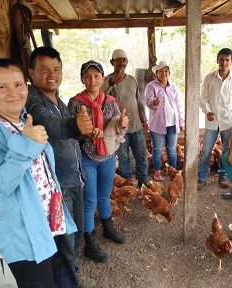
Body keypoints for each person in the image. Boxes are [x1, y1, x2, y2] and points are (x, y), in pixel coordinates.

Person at [0, 58, 77, 287]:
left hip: (46, 220)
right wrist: (25, 145)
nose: (13, 92)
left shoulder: (22, 119)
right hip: (23, 233)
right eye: (2, 86)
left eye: (18, 85)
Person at [26, 47, 96, 287]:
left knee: (75, 237)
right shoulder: (33, 100)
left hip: (75, 180)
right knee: (62, 243)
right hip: (58, 187)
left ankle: (72, 274)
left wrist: (86, 133)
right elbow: (50, 125)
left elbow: (70, 135)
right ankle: (66, 282)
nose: (52, 74)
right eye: (44, 69)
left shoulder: (59, 100)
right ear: (31, 73)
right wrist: (76, 126)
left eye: (56, 69)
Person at [68, 60, 129, 261]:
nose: (92, 80)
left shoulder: (110, 101)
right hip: (87, 157)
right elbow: (70, 132)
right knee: (89, 200)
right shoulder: (76, 103)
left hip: (108, 156)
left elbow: (119, 127)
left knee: (104, 196)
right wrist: (85, 134)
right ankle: (90, 241)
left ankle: (107, 228)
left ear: (102, 79)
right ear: (82, 80)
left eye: (96, 76)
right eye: (88, 77)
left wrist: (123, 123)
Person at [198, 48, 232, 190]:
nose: (224, 63)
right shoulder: (209, 78)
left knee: (226, 149)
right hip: (212, 121)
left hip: (229, 120)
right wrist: (207, 111)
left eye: (227, 60)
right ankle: (201, 177)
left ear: (231, 61)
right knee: (206, 150)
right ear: (217, 60)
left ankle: (223, 176)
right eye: (221, 59)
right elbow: (202, 98)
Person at [101, 49, 149, 188]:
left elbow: (139, 101)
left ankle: (143, 180)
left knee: (141, 155)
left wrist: (144, 120)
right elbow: (100, 96)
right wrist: (110, 82)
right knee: (123, 158)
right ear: (112, 62)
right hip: (119, 129)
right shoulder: (108, 80)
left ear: (127, 62)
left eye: (124, 60)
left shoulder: (132, 79)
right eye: (118, 60)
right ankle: (127, 183)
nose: (122, 62)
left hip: (136, 126)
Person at [145, 61, 185, 180]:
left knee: (172, 149)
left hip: (172, 123)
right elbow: (148, 102)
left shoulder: (173, 87)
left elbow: (178, 105)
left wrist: (181, 121)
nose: (164, 73)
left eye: (166, 71)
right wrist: (154, 103)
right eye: (161, 71)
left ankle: (171, 171)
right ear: (157, 73)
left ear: (169, 73)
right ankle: (157, 171)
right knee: (157, 149)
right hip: (157, 124)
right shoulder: (151, 86)